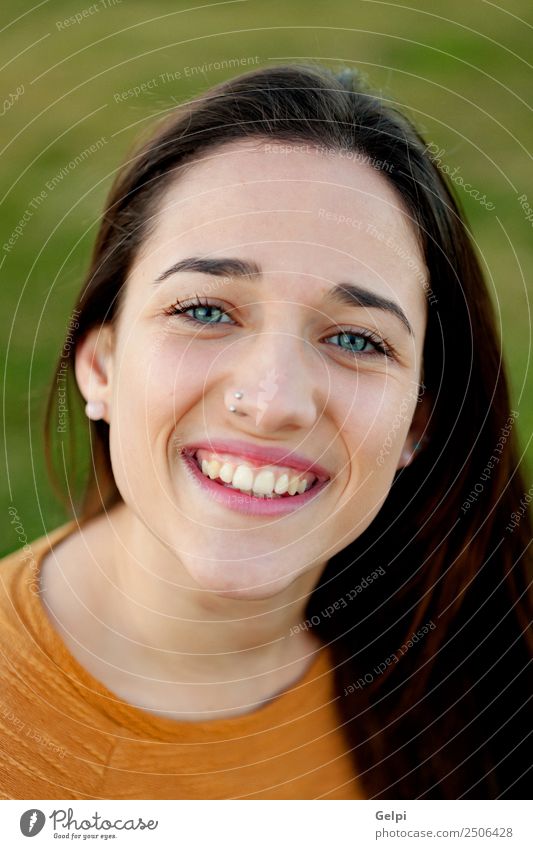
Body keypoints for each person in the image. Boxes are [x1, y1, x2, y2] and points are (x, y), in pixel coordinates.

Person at [1, 63, 531, 800]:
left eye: (355, 338)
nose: (273, 400)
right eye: (207, 310)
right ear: (101, 366)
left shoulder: (486, 685)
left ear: (415, 422)